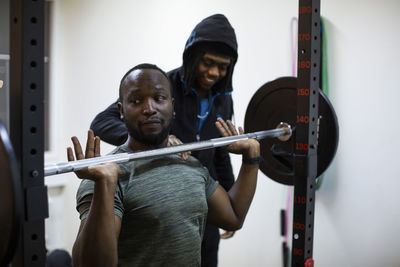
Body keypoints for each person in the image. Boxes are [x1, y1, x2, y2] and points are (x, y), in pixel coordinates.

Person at [70, 64, 260, 266]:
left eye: (159, 98)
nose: (149, 109)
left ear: (172, 106)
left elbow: (233, 217)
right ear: (121, 110)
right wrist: (105, 184)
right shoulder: (106, 175)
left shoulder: (189, 164)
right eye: (136, 100)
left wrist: (251, 157)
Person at [90, 14, 238, 267]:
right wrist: (157, 140)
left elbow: (219, 152)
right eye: (208, 62)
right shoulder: (161, 88)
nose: (214, 72)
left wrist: (231, 203)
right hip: (162, 205)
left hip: (204, 200)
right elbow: (101, 122)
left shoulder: (223, 98)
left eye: (222, 67)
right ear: (194, 57)